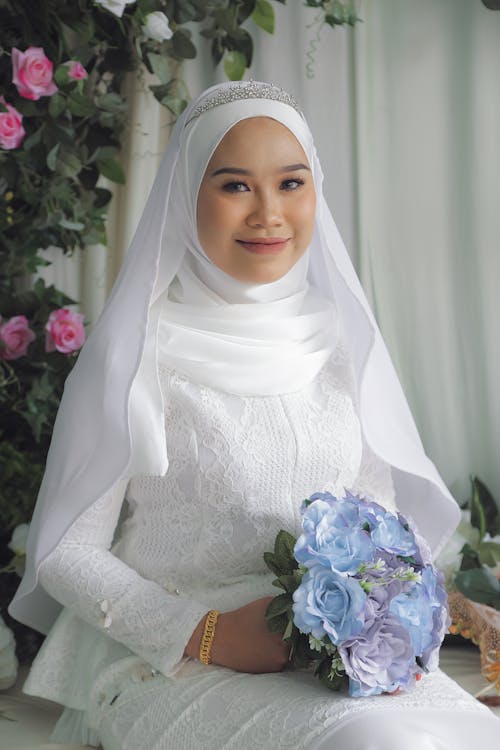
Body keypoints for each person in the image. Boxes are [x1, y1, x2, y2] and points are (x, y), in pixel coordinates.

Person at [9, 81, 500, 749]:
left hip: (336, 665)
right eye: (235, 186)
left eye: (291, 183)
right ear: (187, 195)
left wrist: (393, 624)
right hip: (178, 667)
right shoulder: (139, 350)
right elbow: (67, 548)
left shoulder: (339, 340)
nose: (269, 212)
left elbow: (377, 516)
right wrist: (202, 630)